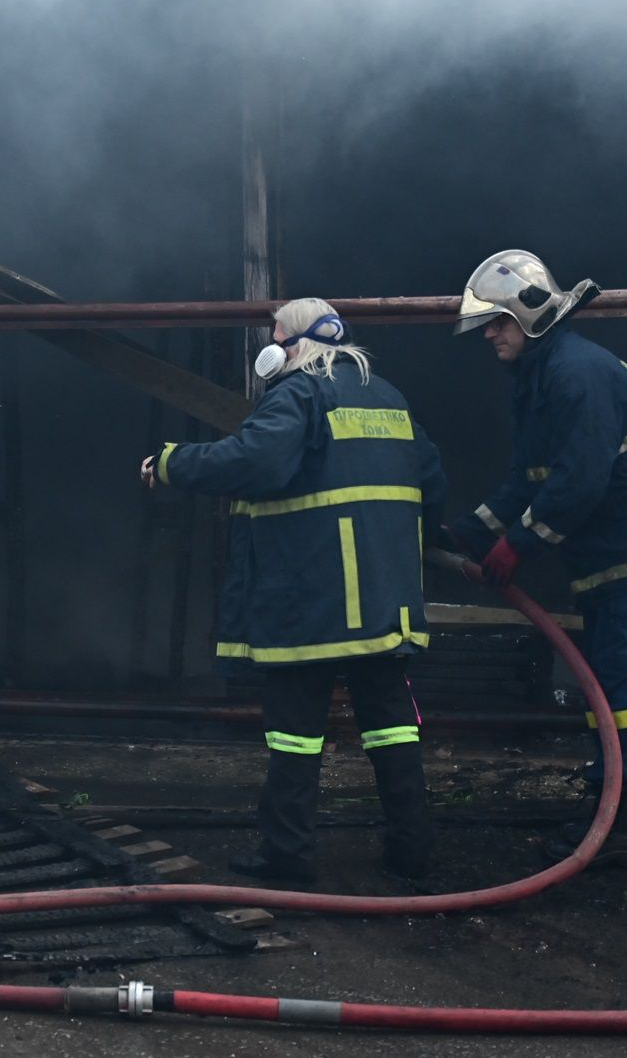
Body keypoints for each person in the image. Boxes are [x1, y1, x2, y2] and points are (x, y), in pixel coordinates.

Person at [142, 298, 446, 882]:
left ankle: (287, 856)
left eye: (276, 334)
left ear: (295, 343)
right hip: (384, 601)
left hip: (314, 600)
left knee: (295, 733)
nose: (270, 346)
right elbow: (431, 484)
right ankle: (412, 851)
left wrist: (173, 463)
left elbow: (255, 460)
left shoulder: (299, 393)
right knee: (392, 727)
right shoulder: (388, 397)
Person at [447, 250, 627, 867]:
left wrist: (517, 545)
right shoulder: (540, 378)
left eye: (497, 322)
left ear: (530, 314)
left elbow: (579, 482)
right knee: (613, 688)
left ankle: (618, 822)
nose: (488, 334)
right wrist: (470, 532)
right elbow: (529, 477)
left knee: (626, 693)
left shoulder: (577, 373)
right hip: (612, 559)